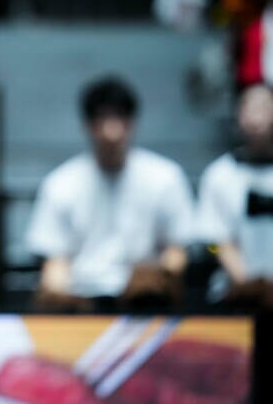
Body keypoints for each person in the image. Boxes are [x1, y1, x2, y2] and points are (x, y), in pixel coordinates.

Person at [26, 75, 196, 313]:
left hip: (146, 302)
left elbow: (177, 248)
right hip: (82, 300)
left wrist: (162, 278)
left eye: (119, 118)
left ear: (132, 122)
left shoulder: (165, 177)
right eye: (102, 119)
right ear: (87, 124)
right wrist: (58, 297)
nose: (111, 131)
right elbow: (56, 258)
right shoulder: (61, 183)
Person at [197, 82, 273, 311]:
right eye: (249, 109)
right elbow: (215, 243)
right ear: (238, 115)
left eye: (264, 109)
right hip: (234, 297)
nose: (256, 119)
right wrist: (249, 285)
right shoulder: (219, 175)